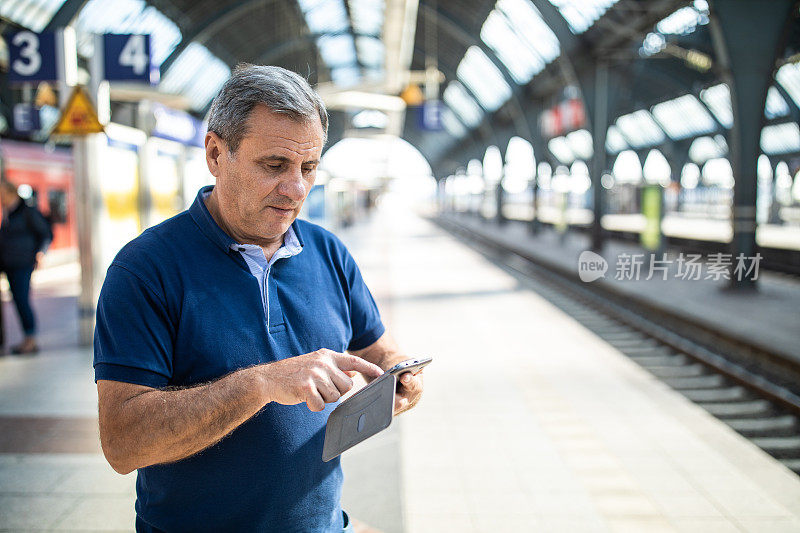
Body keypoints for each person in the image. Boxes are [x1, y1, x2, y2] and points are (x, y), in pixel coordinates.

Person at [93, 64, 424, 533]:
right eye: (274, 166)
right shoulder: (145, 269)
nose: (295, 189)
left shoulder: (329, 252)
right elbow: (123, 443)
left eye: (308, 168)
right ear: (215, 153)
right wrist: (261, 384)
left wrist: (400, 372)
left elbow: (378, 348)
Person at [0, 181, 52, 354]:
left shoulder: (27, 211)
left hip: (23, 263)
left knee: (22, 299)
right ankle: (27, 338)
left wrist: (41, 253)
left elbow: (45, 233)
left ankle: (31, 339)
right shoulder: (7, 212)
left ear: (10, 192)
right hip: (8, 264)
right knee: (16, 299)